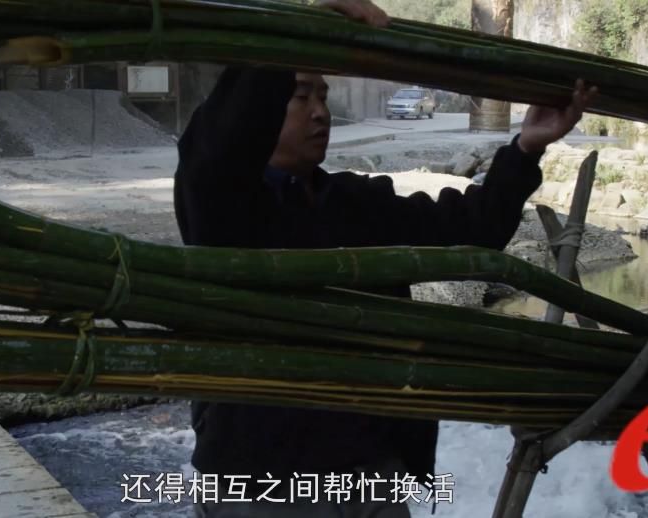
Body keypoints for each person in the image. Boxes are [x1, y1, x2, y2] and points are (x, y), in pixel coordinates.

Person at [174, 1, 598, 516]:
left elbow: (473, 227)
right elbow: (217, 149)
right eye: (300, 96)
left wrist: (526, 148)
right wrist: (293, 35)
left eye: (323, 95)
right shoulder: (223, 209)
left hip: (370, 471)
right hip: (261, 479)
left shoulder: (355, 202)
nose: (320, 112)